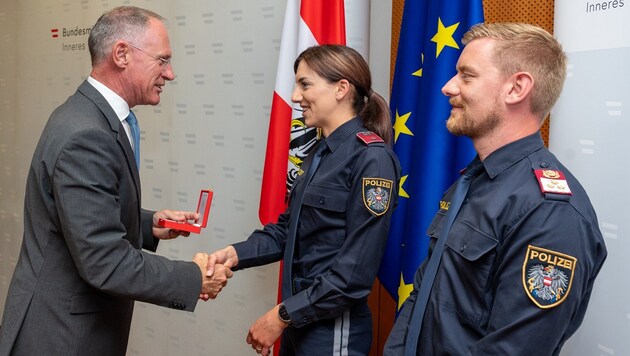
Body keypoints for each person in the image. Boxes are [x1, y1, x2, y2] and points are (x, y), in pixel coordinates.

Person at [0, 6, 232, 356]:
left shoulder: (87, 114)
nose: (170, 73)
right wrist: (194, 276)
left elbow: (80, 215)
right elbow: (104, 261)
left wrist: (148, 224)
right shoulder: (86, 134)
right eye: (162, 60)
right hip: (62, 335)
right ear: (121, 54)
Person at [384, 22, 607, 355]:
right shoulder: (473, 180)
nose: (447, 87)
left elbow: (512, 349)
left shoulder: (549, 210)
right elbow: (422, 295)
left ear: (516, 88)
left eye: (467, 75)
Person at [208, 44, 401, 355]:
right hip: (301, 321)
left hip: (332, 330)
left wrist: (282, 315)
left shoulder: (372, 159)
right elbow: (289, 231)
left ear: (341, 88)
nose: (295, 96)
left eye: (305, 84)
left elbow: (354, 275)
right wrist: (233, 254)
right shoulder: (320, 152)